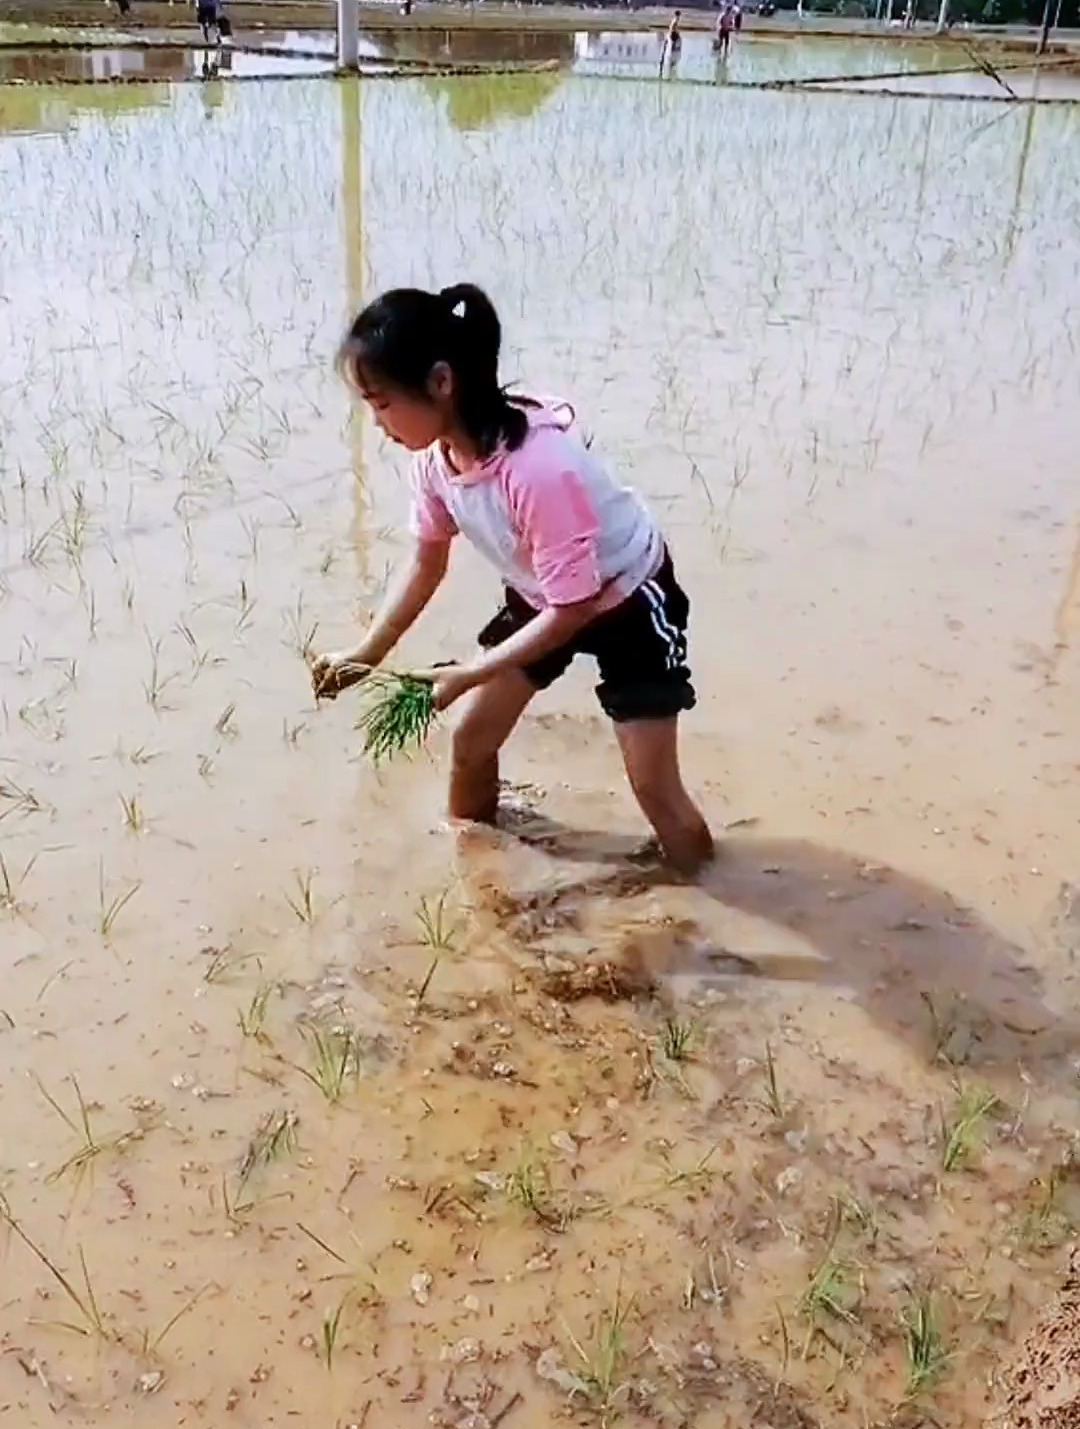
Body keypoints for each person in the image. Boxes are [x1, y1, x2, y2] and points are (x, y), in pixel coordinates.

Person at [311, 285, 714, 875]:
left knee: (653, 787)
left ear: (441, 382)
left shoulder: (537, 471)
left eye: (382, 402)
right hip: (544, 595)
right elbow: (427, 563)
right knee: (470, 742)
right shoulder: (434, 465)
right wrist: (366, 653)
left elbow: (575, 608)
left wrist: (472, 670)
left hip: (628, 601)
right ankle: (479, 877)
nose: (377, 423)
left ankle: (710, 904)